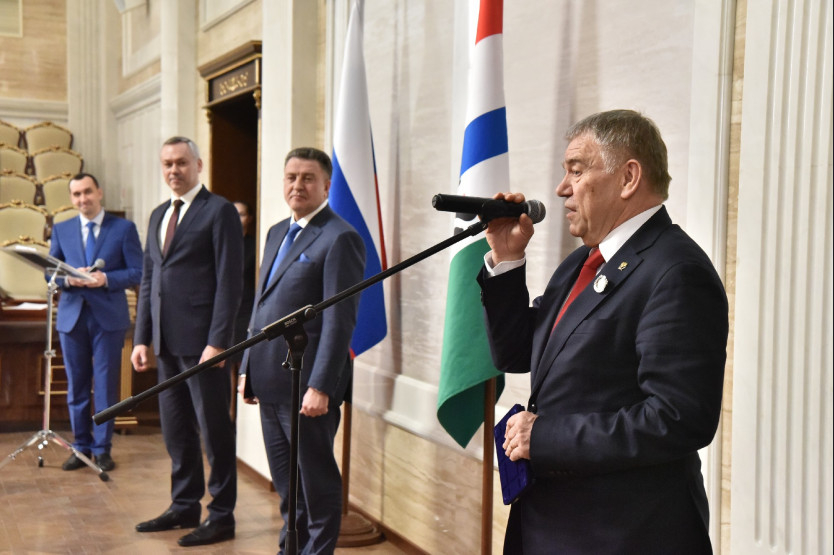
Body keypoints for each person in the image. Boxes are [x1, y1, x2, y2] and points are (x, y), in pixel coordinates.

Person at [479, 110, 728, 554]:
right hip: (554, 523)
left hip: (624, 533)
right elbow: (517, 353)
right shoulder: (581, 263)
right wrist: (507, 259)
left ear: (628, 177)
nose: (562, 188)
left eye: (576, 170)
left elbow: (678, 418)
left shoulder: (677, 271)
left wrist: (545, 437)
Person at [238, 147, 365, 554]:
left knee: (316, 484)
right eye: (291, 177)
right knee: (287, 487)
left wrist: (321, 386)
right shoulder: (276, 231)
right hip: (269, 380)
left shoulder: (340, 237)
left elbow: (339, 321)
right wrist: (247, 366)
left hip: (307, 386)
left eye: (308, 178)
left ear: (326, 185)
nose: (298, 185)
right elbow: (261, 304)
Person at [131, 137, 243, 547]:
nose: (173, 170)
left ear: (198, 164)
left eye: (181, 162)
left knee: (214, 432)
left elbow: (230, 281)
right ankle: (184, 505)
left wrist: (219, 341)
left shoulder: (219, 211)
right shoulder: (158, 214)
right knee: (176, 430)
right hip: (165, 343)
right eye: (167, 164)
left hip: (204, 346)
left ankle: (222, 514)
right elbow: (150, 280)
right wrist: (142, 337)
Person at [48, 172, 143, 472]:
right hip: (72, 317)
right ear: (71, 198)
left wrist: (106, 279)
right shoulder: (61, 229)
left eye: (87, 192)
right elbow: (50, 272)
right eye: (76, 194)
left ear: (99, 193)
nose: (82, 199)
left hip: (108, 318)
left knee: (105, 386)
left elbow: (137, 271)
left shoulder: (124, 228)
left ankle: (102, 449)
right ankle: (80, 447)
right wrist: (68, 279)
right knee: (76, 386)